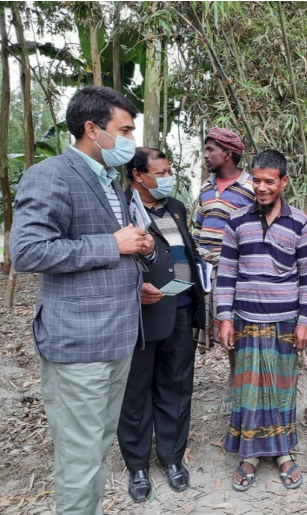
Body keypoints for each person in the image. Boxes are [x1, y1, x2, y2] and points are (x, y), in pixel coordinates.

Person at [10, 86, 155, 515]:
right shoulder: (51, 174)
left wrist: (135, 273)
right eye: (124, 130)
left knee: (95, 452)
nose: (130, 139)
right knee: (80, 461)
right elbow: (28, 251)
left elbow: (110, 250)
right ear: (92, 129)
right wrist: (113, 245)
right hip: (79, 346)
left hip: (116, 339)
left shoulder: (111, 182)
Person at [216, 149, 307, 491]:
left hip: (286, 321)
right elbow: (226, 273)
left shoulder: (299, 222)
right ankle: (250, 455)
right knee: (249, 390)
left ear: (283, 182)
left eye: (269, 181)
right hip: (246, 319)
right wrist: (224, 318)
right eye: (256, 180)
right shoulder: (236, 221)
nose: (261, 187)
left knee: (282, 388)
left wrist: (305, 321)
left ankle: (284, 452)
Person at [116, 148, 205, 501]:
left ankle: (171, 458)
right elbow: (114, 260)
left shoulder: (176, 207)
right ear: (138, 175)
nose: (167, 177)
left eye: (169, 170)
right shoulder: (120, 208)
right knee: (136, 391)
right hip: (141, 314)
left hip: (181, 310)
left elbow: (184, 252)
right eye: (160, 171)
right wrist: (131, 289)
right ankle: (137, 465)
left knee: (177, 386)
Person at [193, 128, 254, 413]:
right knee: (208, 326)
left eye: (210, 150)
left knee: (236, 327)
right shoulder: (206, 187)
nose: (206, 155)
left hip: (234, 272)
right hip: (204, 270)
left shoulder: (252, 187)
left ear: (227, 153)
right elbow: (197, 227)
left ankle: (234, 380)